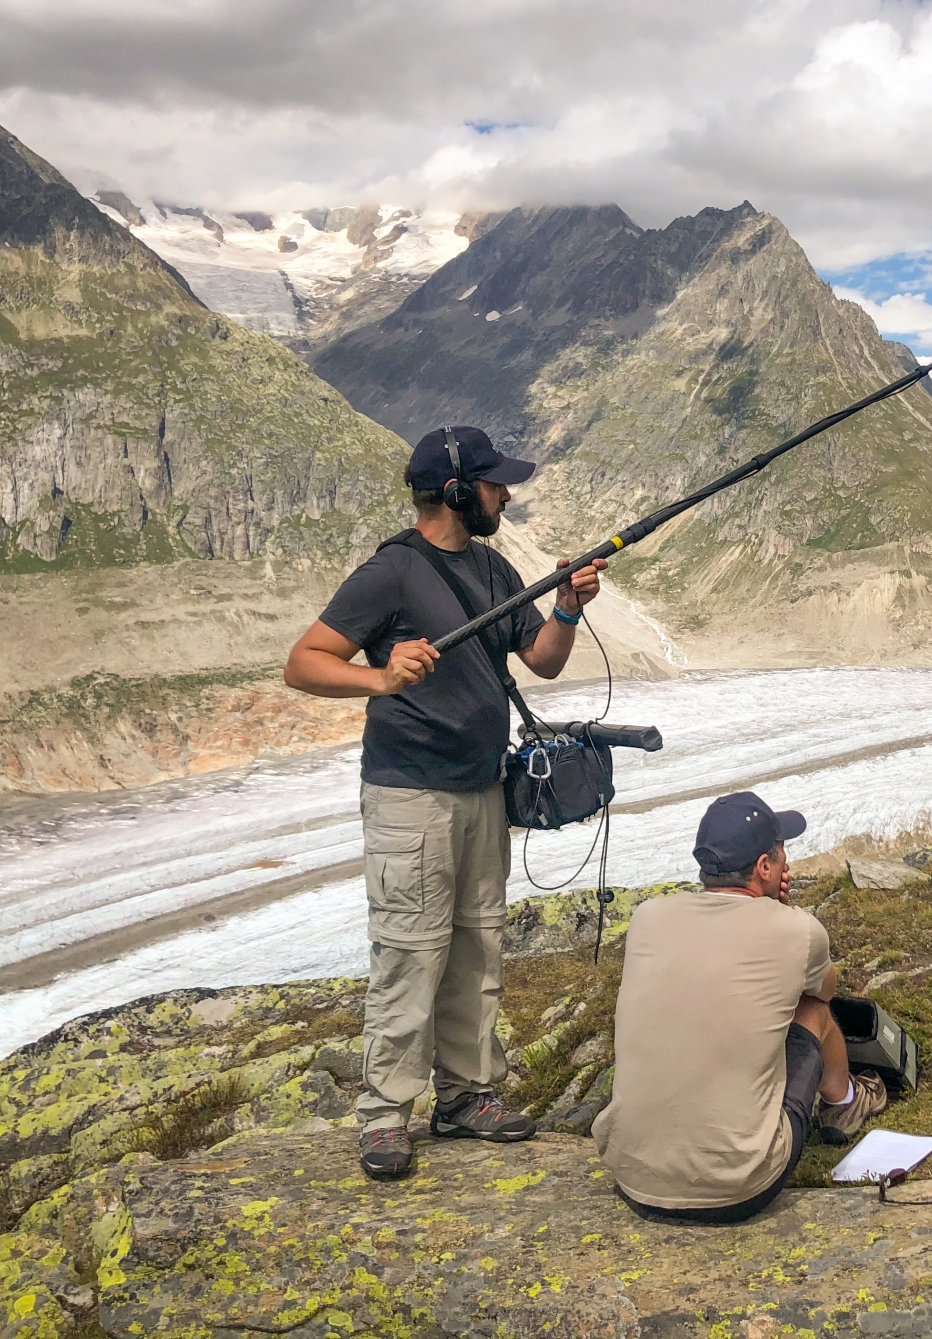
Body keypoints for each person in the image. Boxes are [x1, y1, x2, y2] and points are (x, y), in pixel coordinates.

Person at [283, 425, 606, 1180]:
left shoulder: (493, 567)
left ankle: (467, 1096)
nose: (506, 493)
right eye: (494, 483)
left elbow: (543, 663)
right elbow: (303, 663)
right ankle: (386, 1114)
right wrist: (381, 677)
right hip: (410, 794)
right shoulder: (390, 573)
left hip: (481, 787)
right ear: (458, 491)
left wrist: (564, 607)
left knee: (475, 945)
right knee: (410, 949)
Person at [594, 792, 889, 1222]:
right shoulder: (797, 931)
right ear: (764, 867)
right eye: (780, 850)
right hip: (740, 1184)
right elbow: (824, 988)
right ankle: (846, 1104)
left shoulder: (648, 916)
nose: (786, 861)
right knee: (812, 1012)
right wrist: (781, 913)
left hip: (634, 1177)